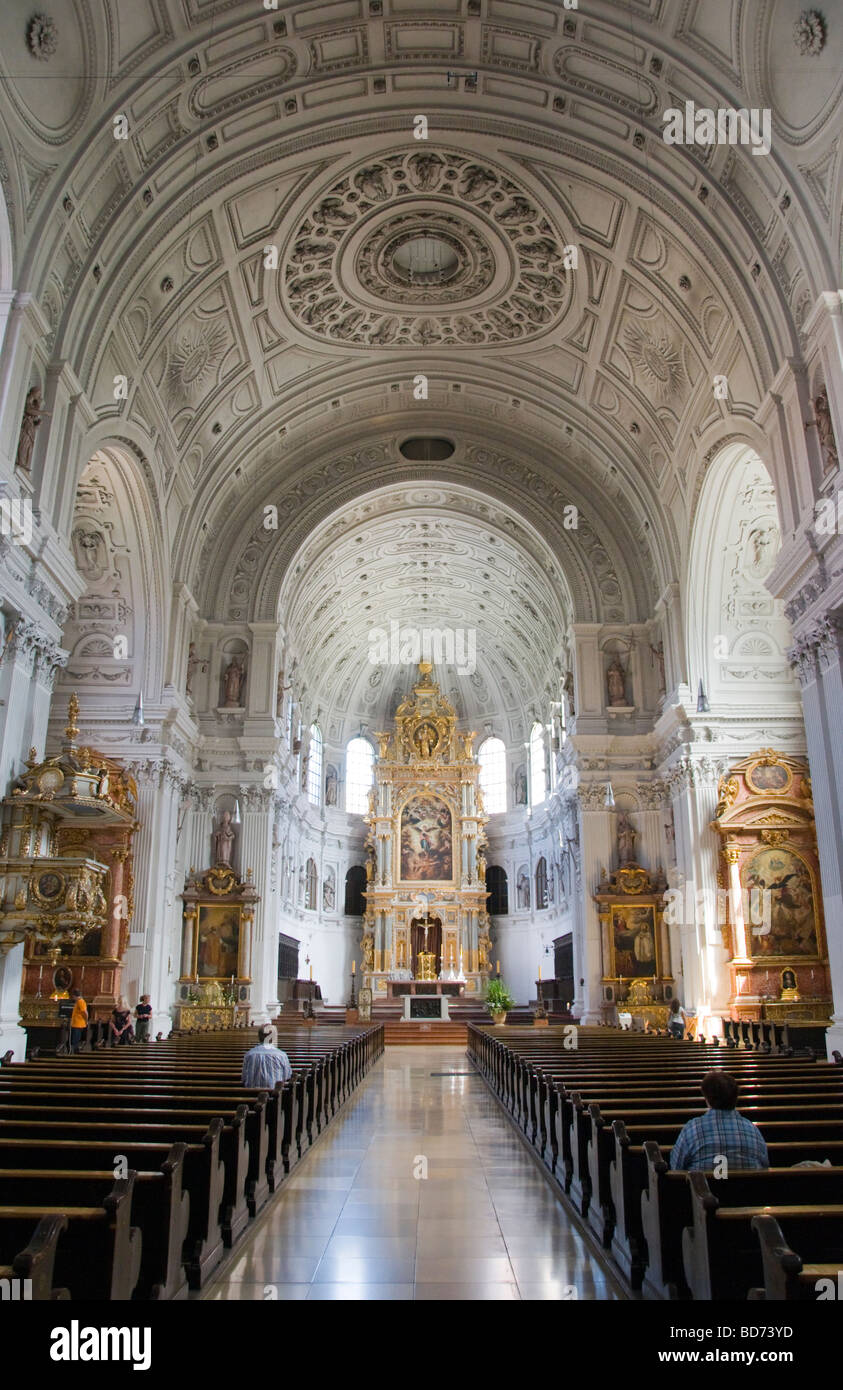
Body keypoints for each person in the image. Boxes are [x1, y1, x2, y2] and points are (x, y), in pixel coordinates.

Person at [670, 1071, 769, 1171]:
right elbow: (764, 1166)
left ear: (707, 1099)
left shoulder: (692, 1129)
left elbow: (676, 1167)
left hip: (703, 1186)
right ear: (735, 1097)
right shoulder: (753, 1130)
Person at [69, 988, 88, 1054]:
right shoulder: (78, 1002)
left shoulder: (80, 1001)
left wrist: (86, 1020)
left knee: (75, 1040)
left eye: (73, 996)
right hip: (76, 1024)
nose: (73, 998)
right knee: (74, 1040)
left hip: (78, 1024)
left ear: (74, 995)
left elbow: (85, 1012)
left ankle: (75, 1053)